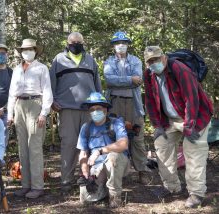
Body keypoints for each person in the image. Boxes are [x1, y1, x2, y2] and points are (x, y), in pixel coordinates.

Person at [143, 46, 213, 208]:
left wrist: (189, 127)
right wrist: (158, 125)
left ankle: (196, 193)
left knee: (193, 150)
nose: (154, 63)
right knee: (162, 146)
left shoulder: (180, 70)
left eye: (157, 59)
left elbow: (192, 99)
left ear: (164, 58)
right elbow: (150, 101)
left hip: (195, 116)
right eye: (150, 61)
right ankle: (172, 187)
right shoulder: (148, 74)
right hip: (170, 119)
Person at [50, 32, 102, 192]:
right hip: (66, 108)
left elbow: (97, 82)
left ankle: (86, 176)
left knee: (88, 144)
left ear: (83, 42)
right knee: (69, 144)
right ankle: (66, 180)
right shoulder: (58, 59)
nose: (76, 44)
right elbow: (51, 82)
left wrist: (100, 103)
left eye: (79, 42)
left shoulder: (90, 59)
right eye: (73, 42)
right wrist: (52, 101)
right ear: (67, 42)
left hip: (89, 108)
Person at [103, 31, 151, 184]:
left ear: (128, 45)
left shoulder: (135, 60)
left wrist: (125, 80)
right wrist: (130, 79)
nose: (121, 45)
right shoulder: (109, 61)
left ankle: (142, 170)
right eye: (118, 43)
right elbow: (109, 81)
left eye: (124, 42)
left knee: (137, 137)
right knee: (113, 135)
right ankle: (117, 171)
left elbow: (138, 80)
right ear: (114, 46)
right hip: (114, 103)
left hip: (134, 104)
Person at [7, 39, 53, 199]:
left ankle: (38, 186)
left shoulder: (42, 68)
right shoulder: (16, 69)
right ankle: (25, 184)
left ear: (35, 50)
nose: (27, 52)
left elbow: (47, 91)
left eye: (30, 49)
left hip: (35, 104)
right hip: (20, 105)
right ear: (21, 52)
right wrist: (10, 114)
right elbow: (12, 92)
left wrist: (44, 113)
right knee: (22, 148)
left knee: (34, 147)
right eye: (24, 50)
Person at [77, 92, 129, 208]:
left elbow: (123, 144)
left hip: (117, 162)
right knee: (86, 198)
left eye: (98, 108)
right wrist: (85, 171)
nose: (95, 112)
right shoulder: (86, 127)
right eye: (92, 109)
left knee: (112, 158)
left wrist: (99, 151)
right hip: (97, 167)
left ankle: (115, 196)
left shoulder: (116, 123)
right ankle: (104, 187)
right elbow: (83, 153)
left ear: (105, 110)